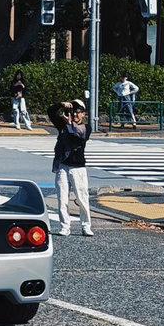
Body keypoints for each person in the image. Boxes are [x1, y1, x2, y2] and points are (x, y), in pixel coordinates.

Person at [51, 98, 93, 237]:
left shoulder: (86, 128)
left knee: (82, 198)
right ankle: (65, 226)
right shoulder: (63, 125)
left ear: (84, 114)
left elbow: (77, 139)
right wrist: (60, 105)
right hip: (62, 165)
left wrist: (69, 124)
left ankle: (86, 226)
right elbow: (50, 112)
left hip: (78, 167)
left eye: (78, 111)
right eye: (72, 111)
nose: (75, 114)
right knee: (62, 198)